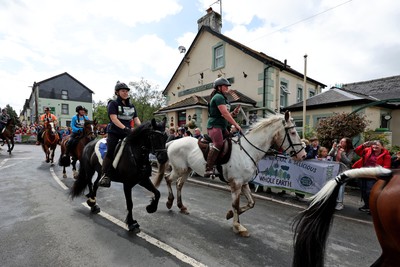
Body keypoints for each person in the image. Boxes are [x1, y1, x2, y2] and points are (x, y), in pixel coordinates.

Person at [98, 82, 141, 188]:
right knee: (111, 151)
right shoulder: (113, 104)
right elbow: (114, 118)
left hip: (128, 132)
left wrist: (141, 128)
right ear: (117, 92)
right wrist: (125, 128)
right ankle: (105, 175)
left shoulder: (131, 106)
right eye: (123, 91)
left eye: (126, 91)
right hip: (115, 132)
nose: (125, 93)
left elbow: (136, 119)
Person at [205, 77, 241, 177]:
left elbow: (225, 114)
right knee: (219, 144)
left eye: (227, 86)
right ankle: (208, 168)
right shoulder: (218, 97)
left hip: (222, 126)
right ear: (219, 87)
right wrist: (236, 125)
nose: (227, 88)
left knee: (231, 140)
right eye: (225, 86)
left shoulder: (223, 98)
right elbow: (225, 114)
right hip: (214, 126)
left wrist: (233, 113)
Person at [352, 140, 391, 213]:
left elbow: (387, 167)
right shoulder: (367, 150)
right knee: (363, 191)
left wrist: (380, 167)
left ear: (382, 146)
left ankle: (373, 208)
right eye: (374, 144)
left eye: (377, 145)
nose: (375, 146)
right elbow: (357, 151)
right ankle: (367, 206)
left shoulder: (386, 155)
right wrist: (363, 145)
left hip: (374, 175)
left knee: (370, 192)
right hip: (363, 173)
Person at [329, 137, 355, 210]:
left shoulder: (351, 151)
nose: (340, 142)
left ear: (347, 143)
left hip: (344, 171)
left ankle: (340, 203)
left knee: (341, 185)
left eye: (343, 141)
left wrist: (342, 153)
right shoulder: (337, 148)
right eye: (340, 141)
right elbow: (330, 155)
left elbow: (348, 161)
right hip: (335, 170)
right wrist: (333, 148)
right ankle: (333, 201)